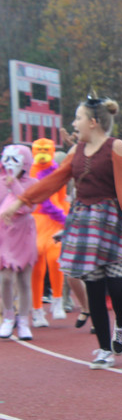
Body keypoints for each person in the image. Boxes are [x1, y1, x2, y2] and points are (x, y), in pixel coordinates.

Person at [2, 95, 122, 369]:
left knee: (117, 286)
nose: (74, 123)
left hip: (113, 221)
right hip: (84, 221)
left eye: (78, 117)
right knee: (93, 285)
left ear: (93, 122)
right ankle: (104, 348)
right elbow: (53, 180)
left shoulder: (116, 147)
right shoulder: (76, 151)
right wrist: (22, 201)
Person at [29, 138, 70, 326]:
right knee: (36, 265)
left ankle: (58, 299)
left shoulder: (58, 174)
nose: (42, 152)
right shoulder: (28, 171)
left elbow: (61, 199)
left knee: (55, 259)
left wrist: (65, 219)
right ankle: (37, 309)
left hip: (54, 222)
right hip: (34, 222)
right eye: (39, 149)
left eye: (46, 149)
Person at [0, 145, 37, 341]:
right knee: (5, 278)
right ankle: (7, 316)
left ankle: (23, 321)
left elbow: (29, 205)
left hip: (24, 233)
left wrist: (13, 183)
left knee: (24, 280)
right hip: (4, 234)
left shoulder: (32, 182)